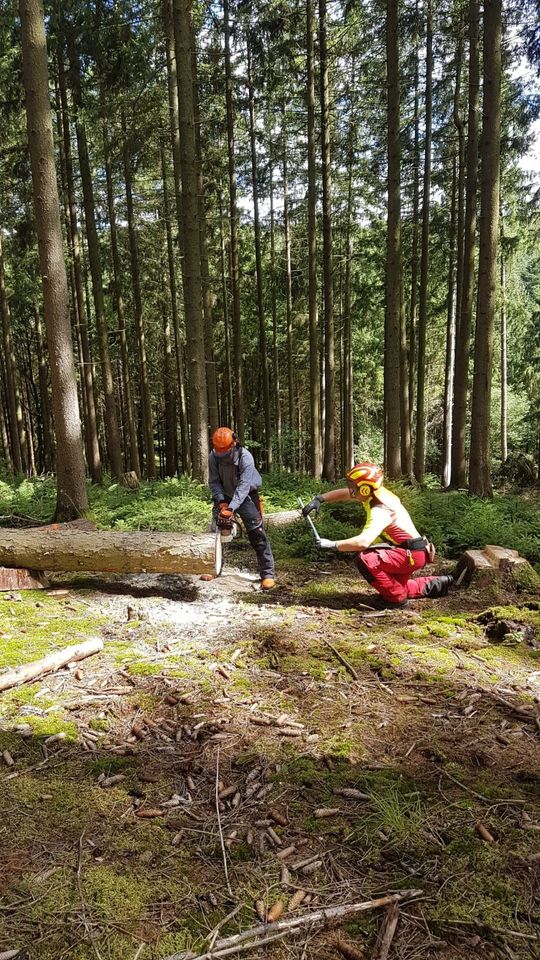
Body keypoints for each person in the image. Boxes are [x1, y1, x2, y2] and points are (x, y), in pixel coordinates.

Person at [302, 462, 458, 609]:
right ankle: (438, 583)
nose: (350, 490)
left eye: (353, 487)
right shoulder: (375, 493)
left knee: (366, 560)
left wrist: (332, 544)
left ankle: (397, 600)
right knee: (398, 586)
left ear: (364, 489)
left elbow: (363, 542)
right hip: (410, 552)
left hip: (409, 555)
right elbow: (346, 494)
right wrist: (320, 499)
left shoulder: (380, 510)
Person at [208, 427, 276, 590]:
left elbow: (244, 486)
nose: (221, 453)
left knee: (257, 533)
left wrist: (231, 508)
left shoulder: (246, 457)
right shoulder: (213, 456)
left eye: (224, 450)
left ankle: (267, 574)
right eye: (218, 450)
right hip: (225, 495)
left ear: (234, 443)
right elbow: (214, 481)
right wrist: (222, 501)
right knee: (215, 533)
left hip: (246, 496)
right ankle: (211, 567)